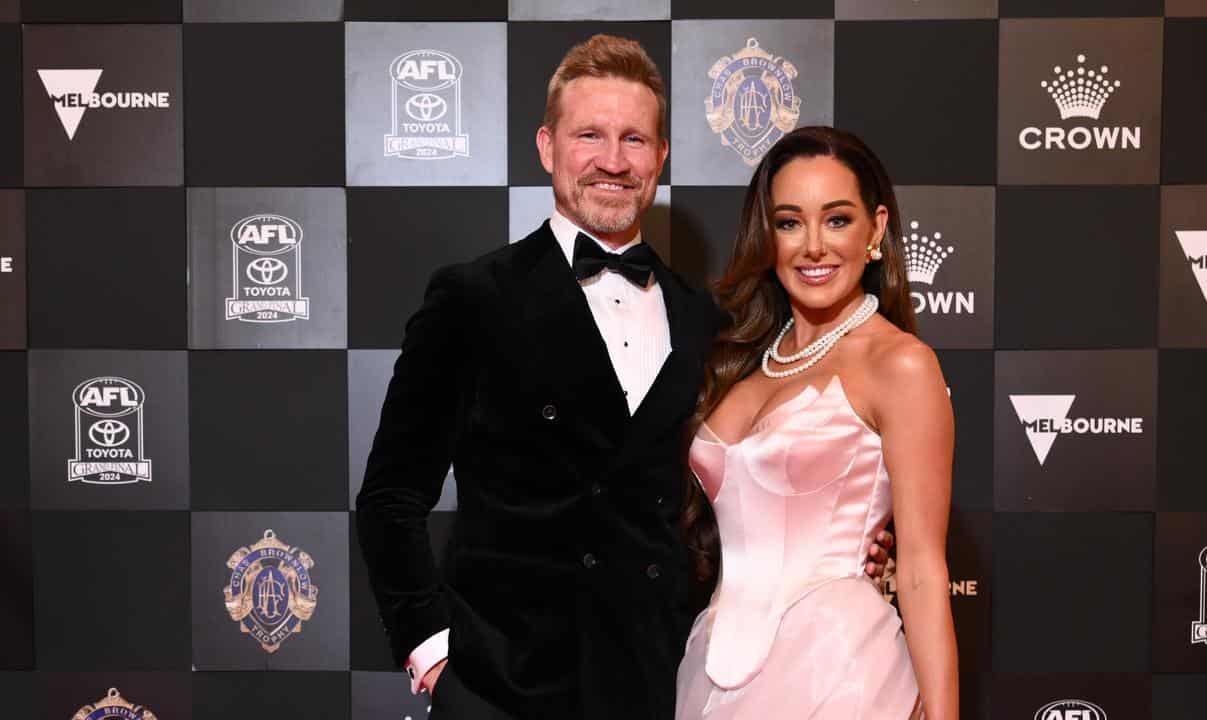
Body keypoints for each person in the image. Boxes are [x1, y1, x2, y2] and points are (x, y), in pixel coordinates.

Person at [355, 36, 892, 720]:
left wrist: (855, 537)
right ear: (548, 147)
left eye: (634, 139)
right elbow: (391, 499)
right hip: (502, 689)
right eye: (591, 136)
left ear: (661, 157)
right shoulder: (472, 298)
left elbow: (760, 474)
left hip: (662, 680)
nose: (613, 160)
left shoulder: (708, 319)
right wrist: (436, 659)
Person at [675, 126, 959, 719]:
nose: (813, 247)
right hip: (714, 670)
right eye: (789, 222)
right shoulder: (742, 358)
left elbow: (924, 571)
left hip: (839, 672)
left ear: (876, 229)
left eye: (836, 220)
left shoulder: (900, 364)